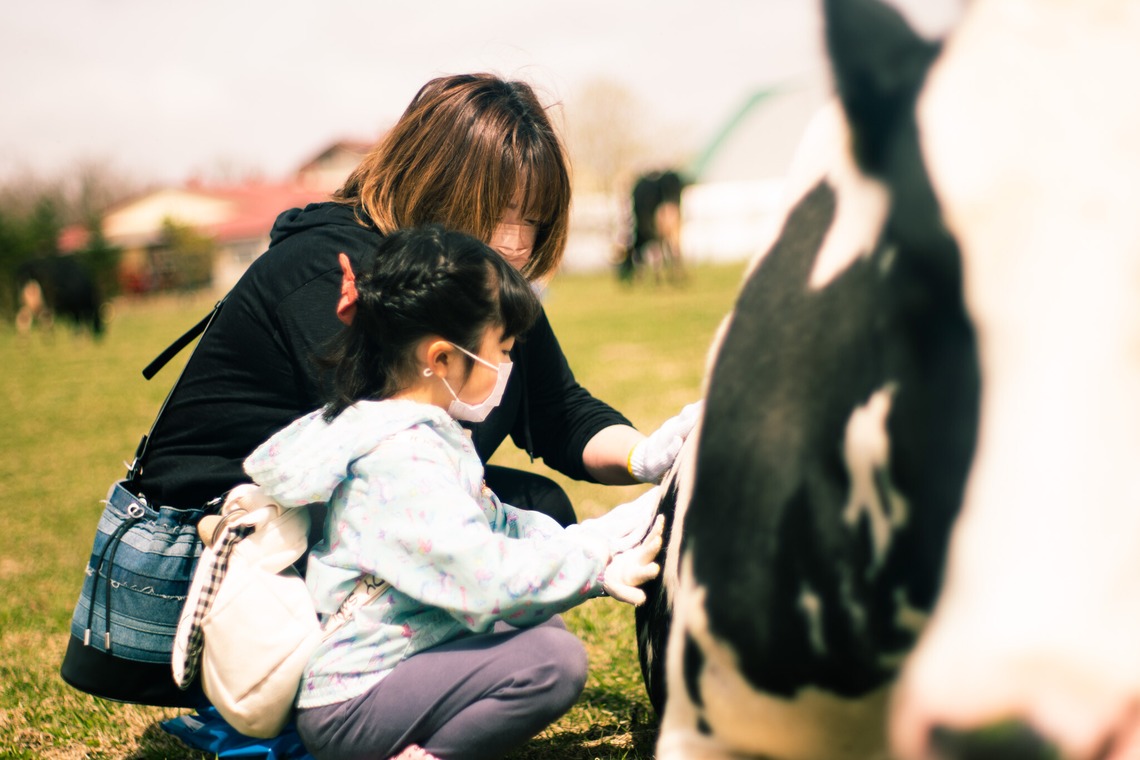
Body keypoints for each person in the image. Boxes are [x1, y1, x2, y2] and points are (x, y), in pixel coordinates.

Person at [60, 72, 699, 710]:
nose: (515, 240)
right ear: (437, 182)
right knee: (506, 527)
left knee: (534, 503)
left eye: (532, 218)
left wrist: (649, 456)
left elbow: (561, 411)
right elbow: (389, 477)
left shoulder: (469, 277)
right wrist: (565, 558)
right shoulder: (333, 267)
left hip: (321, 534)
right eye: (498, 210)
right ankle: (347, 711)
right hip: (218, 573)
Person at [243, 224, 663, 760]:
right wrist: (595, 569)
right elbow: (486, 577)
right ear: (441, 359)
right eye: (502, 352)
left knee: (541, 626)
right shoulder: (403, 461)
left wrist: (605, 535)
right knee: (552, 662)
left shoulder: (421, 434)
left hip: (395, 665)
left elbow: (499, 526)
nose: (509, 368)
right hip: (354, 699)